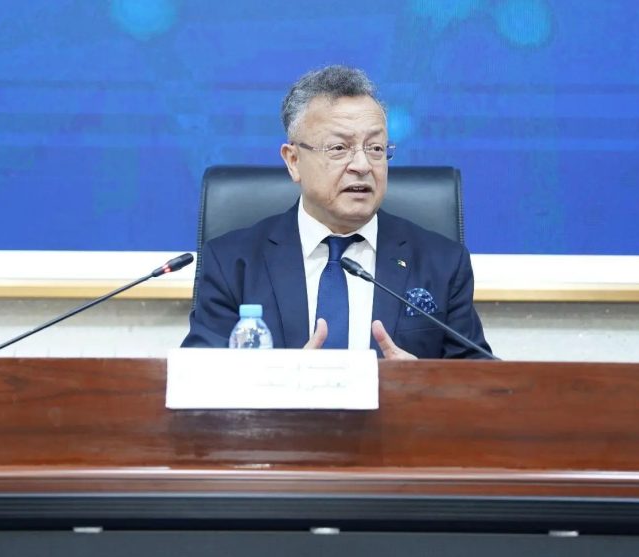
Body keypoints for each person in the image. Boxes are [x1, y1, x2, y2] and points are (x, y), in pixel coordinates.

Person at [182, 65, 491, 359]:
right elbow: (195, 378)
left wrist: (420, 382)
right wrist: (280, 380)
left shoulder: (442, 263)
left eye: (375, 148)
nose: (362, 165)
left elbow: (482, 379)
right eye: (339, 148)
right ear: (293, 161)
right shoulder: (232, 263)